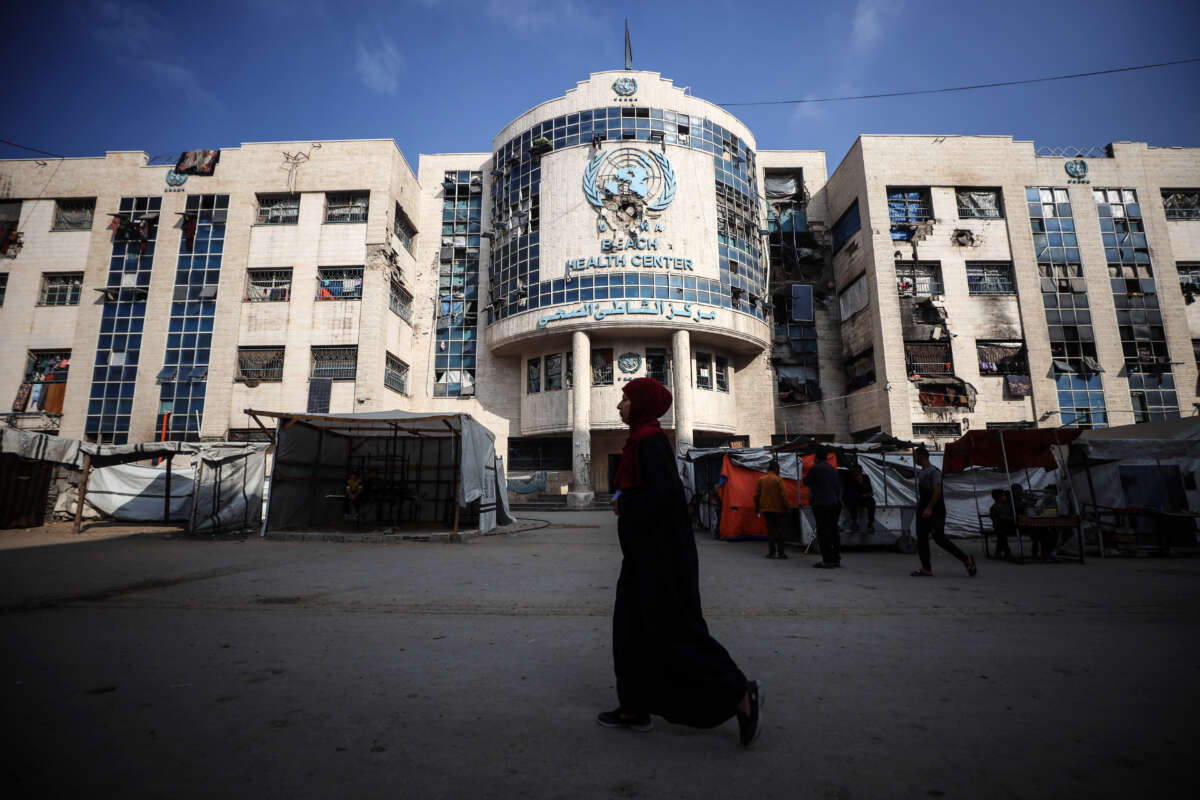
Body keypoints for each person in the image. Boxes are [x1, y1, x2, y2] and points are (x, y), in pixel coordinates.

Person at [600, 377, 762, 747]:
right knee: (631, 633)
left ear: (640, 405)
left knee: (675, 631)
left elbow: (664, 502)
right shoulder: (641, 440)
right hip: (643, 557)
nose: (619, 406)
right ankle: (634, 707)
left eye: (625, 400)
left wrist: (624, 504)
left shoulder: (650, 442)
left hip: (660, 561)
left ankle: (740, 694)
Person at [911, 445, 977, 577]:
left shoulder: (933, 472)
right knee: (922, 540)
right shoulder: (922, 472)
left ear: (921, 456)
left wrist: (929, 508)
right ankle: (926, 568)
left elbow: (937, 492)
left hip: (935, 511)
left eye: (915, 456)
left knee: (940, 539)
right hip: (923, 511)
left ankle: (966, 560)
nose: (914, 459)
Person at [803, 446, 842, 568]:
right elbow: (837, 488)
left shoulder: (815, 468)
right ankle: (836, 558)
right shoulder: (832, 469)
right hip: (834, 504)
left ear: (816, 457)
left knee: (823, 532)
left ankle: (827, 560)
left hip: (821, 504)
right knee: (833, 531)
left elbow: (805, 482)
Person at [754, 459, 790, 559]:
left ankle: (771, 553)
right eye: (778, 468)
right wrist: (787, 507)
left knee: (771, 532)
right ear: (775, 469)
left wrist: (757, 507)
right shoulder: (778, 480)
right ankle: (781, 553)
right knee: (780, 532)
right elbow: (783, 495)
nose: (779, 470)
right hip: (779, 510)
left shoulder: (761, 480)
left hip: (766, 510)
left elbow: (756, 496)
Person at [845, 463, 877, 533]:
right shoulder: (850, 479)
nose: (856, 473)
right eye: (855, 472)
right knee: (852, 500)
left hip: (864, 497)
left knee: (872, 501)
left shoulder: (865, 478)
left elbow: (869, 488)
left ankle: (870, 523)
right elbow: (850, 491)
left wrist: (867, 494)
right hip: (854, 498)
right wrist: (862, 493)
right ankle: (854, 521)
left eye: (858, 472)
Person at [988, 488, 1015, 559]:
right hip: (1000, 526)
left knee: (1002, 533)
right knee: (1001, 533)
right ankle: (1006, 551)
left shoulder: (1007, 506)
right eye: (1003, 496)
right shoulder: (994, 507)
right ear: (999, 498)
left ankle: (999, 551)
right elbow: (996, 519)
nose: (1005, 497)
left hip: (1008, 526)